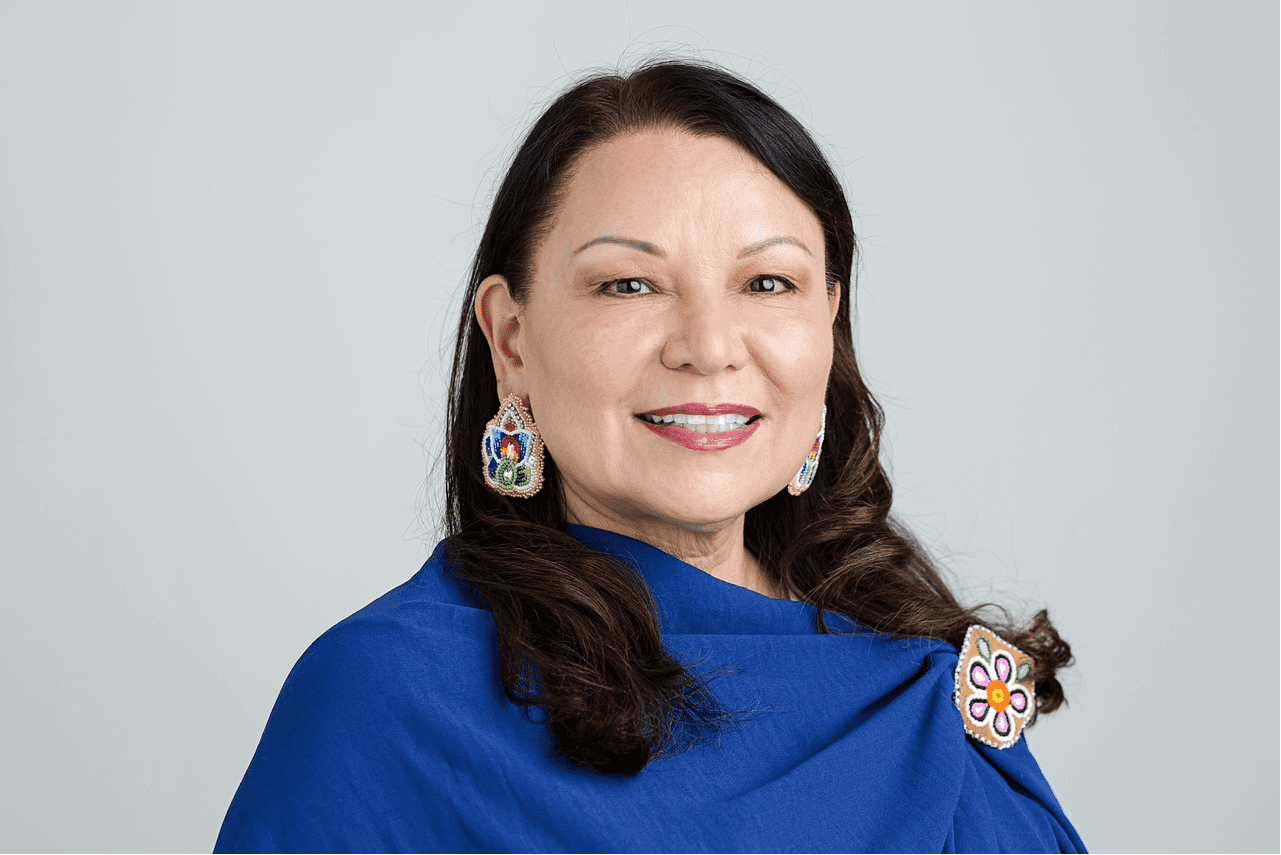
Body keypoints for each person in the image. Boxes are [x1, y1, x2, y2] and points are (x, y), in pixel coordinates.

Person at [215, 60, 1085, 853]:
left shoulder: (929, 700)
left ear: (826, 326)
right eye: (628, 285)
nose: (708, 348)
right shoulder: (384, 698)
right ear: (511, 340)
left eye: (767, 283)